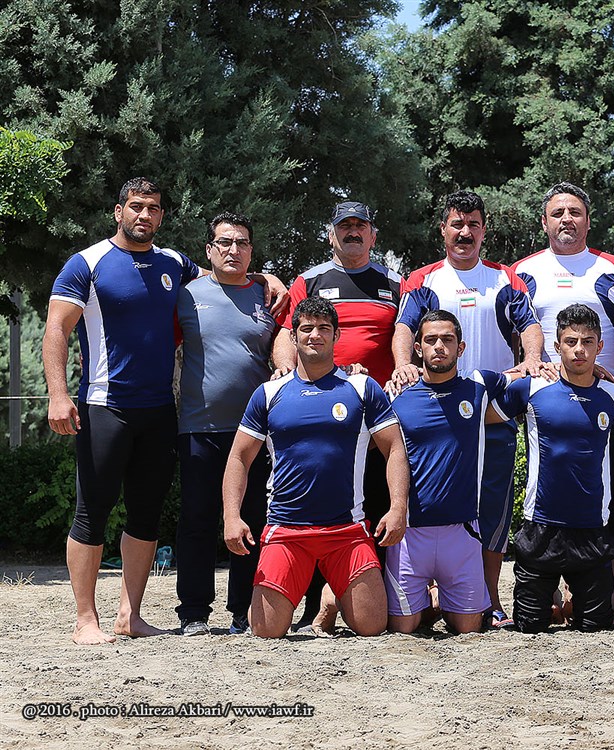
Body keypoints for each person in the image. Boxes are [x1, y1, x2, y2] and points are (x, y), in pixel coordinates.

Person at [43, 177, 284, 645]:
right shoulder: (86, 263)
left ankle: (129, 615)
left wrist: (265, 277)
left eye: (153, 208)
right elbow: (57, 328)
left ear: (161, 216)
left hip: (159, 411)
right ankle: (85, 619)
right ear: (119, 211)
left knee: (146, 516)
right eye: (136, 206)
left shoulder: (173, 262)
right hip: (104, 405)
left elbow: (225, 275)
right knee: (92, 512)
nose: (144, 215)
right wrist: (58, 394)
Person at [391, 190, 545, 628]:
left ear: (483, 230)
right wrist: (403, 366)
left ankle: (489, 597)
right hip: (435, 413)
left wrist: (532, 359)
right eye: (457, 224)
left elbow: (530, 326)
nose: (464, 232)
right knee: (430, 503)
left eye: (473, 224)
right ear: (443, 229)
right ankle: (428, 592)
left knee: (492, 509)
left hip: (491, 411)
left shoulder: (505, 278)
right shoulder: (423, 279)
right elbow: (404, 328)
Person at [222, 297, 409, 639]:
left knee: (372, 627)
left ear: (337, 335)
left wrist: (398, 508)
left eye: (324, 328)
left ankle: (330, 599)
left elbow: (395, 448)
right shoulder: (268, 393)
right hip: (287, 530)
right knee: (266, 631)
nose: (315, 335)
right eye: (306, 328)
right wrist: (231, 517)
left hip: (346, 531)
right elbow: (239, 457)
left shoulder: (361, 387)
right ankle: (279, 595)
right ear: (293, 337)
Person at [275, 200, 404, 630]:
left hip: (376, 417)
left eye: (359, 226)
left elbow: (406, 335)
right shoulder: (310, 280)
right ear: (331, 234)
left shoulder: (394, 282)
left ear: (372, 235)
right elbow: (286, 334)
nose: (352, 232)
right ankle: (313, 607)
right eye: (344, 226)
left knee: (377, 509)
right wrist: (284, 374)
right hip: (320, 420)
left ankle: (370, 602)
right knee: (318, 513)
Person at [492, 304, 614, 633]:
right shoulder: (531, 388)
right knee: (530, 627)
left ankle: (573, 601)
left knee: (595, 627)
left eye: (587, 341)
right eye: (570, 341)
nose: (579, 349)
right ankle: (555, 601)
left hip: (591, 530)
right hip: (540, 529)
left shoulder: (613, 395)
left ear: (600, 346)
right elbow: (480, 412)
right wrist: (518, 372)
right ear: (557, 346)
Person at [512, 183, 614, 604]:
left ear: (588, 219)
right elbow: (518, 332)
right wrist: (532, 365)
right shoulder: (523, 272)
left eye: (575, 212)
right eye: (558, 213)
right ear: (544, 221)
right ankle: (547, 588)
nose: (566, 219)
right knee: (546, 491)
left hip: (605, 400)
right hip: (547, 401)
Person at [175, 212, 284, 636]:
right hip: (198, 428)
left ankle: (243, 610)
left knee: (252, 519)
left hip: (254, 433)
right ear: (209, 250)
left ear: (251, 251)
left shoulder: (267, 295)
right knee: (197, 520)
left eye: (241, 243)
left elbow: (285, 340)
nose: (233, 250)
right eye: (224, 242)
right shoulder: (186, 296)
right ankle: (194, 612)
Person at [386, 310, 513, 634]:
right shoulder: (397, 395)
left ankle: (443, 596)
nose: (439, 346)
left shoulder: (480, 386)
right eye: (431, 340)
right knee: (404, 627)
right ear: (418, 348)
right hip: (411, 532)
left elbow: (527, 379)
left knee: (468, 628)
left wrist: (556, 366)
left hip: (463, 531)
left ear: (461, 347)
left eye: (447, 339)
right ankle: (430, 597)